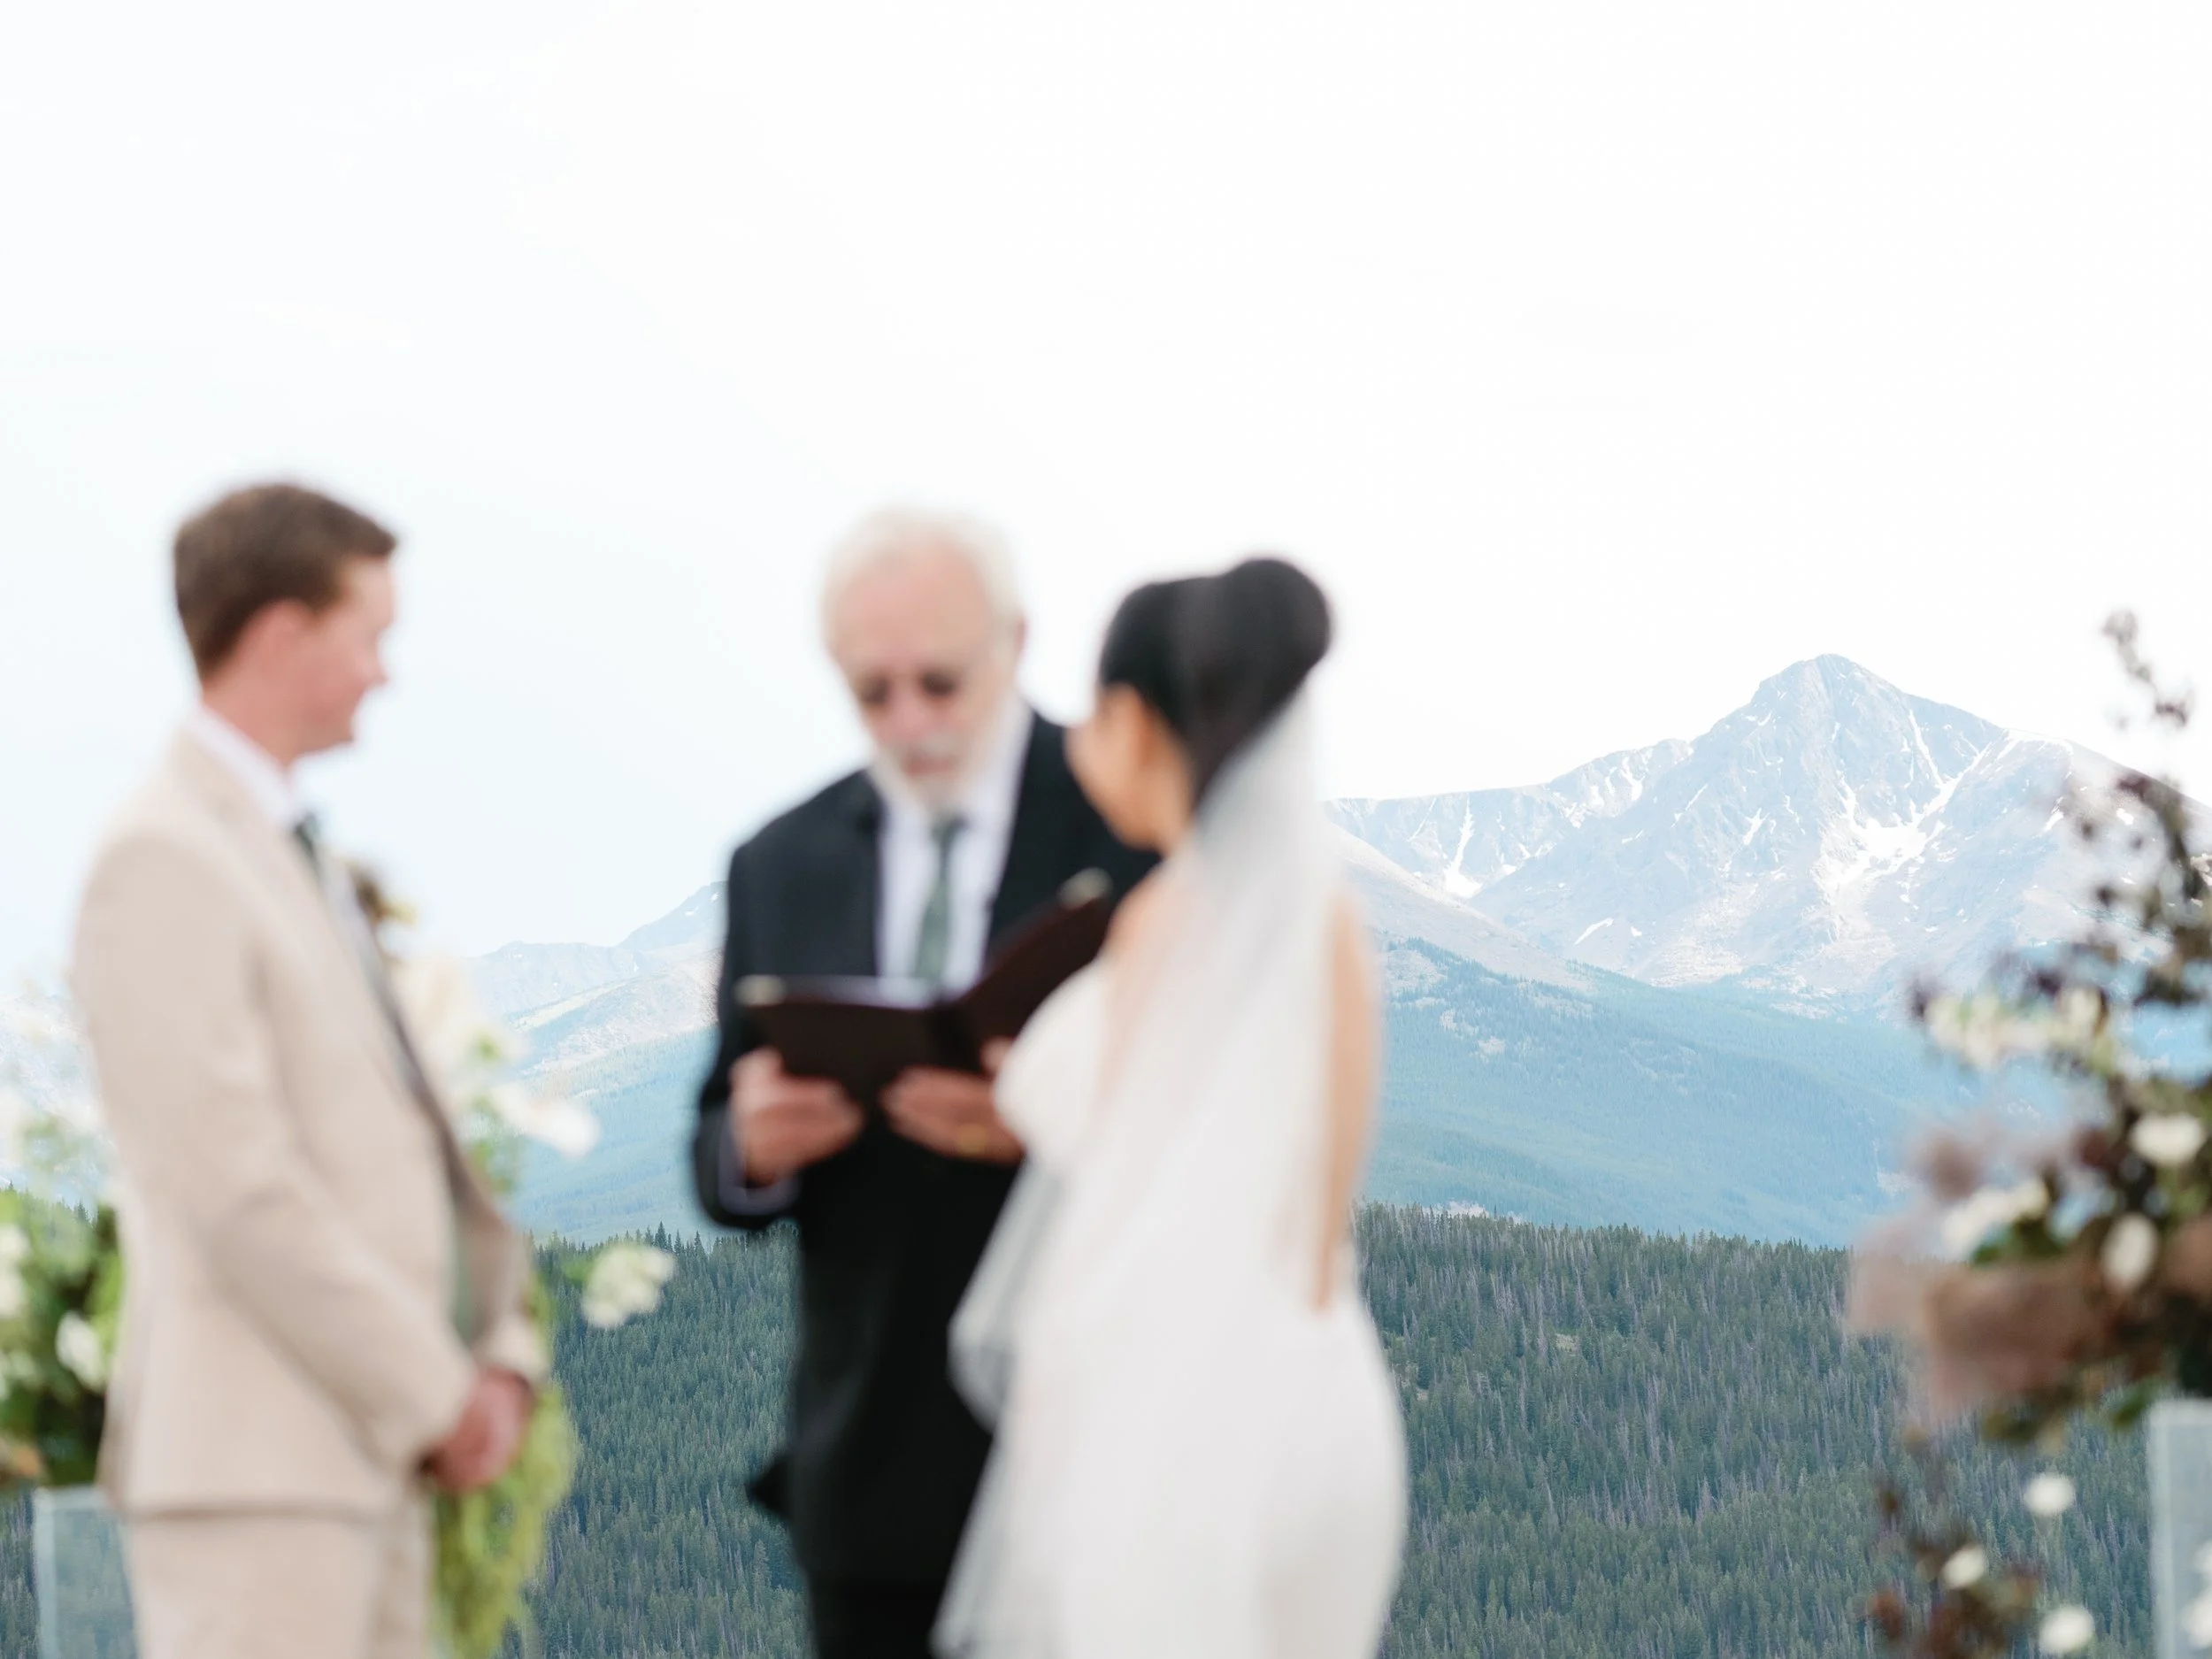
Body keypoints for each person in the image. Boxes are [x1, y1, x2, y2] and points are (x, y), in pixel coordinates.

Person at [71, 484, 546, 1659]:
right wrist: (439, 1393)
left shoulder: (293, 850)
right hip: (256, 1477)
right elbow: (234, 1184)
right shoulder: (163, 854)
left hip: (347, 1459)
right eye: (369, 634)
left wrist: (497, 1345)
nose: (385, 672)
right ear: (283, 632)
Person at [690, 510, 1155, 1659]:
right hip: (870, 1473)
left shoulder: (1133, 829)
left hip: (1104, 1450)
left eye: (941, 681)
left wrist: (1041, 1126)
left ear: (1017, 640)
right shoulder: (779, 860)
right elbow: (713, 1136)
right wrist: (750, 1144)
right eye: (872, 690)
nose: (911, 722)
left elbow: (1224, 1125)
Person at [937, 558, 1408, 1659]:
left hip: (1170, 1407)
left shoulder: (1161, 923)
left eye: (1093, 713)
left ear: (1137, 721)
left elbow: (1118, 1191)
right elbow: (1324, 1192)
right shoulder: (1327, 925)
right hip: (1321, 1385)